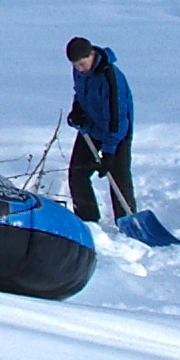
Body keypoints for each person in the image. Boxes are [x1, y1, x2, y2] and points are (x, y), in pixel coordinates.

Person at [65, 36, 135, 224]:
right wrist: (77, 110)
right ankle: (88, 220)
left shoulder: (110, 78)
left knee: (119, 179)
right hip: (91, 128)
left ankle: (127, 222)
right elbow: (80, 92)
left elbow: (118, 119)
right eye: (75, 65)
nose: (79, 69)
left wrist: (109, 152)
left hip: (118, 133)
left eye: (82, 64)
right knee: (77, 173)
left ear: (92, 55)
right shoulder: (79, 71)